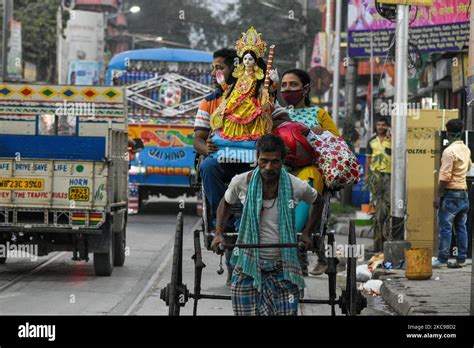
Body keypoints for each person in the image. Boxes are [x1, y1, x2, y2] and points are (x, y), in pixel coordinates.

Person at [193, 48, 285, 285]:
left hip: (254, 162)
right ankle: (219, 220)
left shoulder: (261, 96)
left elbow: (284, 119)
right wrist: (207, 149)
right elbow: (198, 138)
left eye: (219, 67)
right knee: (209, 166)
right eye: (213, 68)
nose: (215, 73)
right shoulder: (211, 101)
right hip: (222, 159)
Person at [211, 134, 321, 315]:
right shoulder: (241, 181)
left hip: (283, 266)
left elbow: (319, 201)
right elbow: (226, 203)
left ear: (283, 160)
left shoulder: (295, 185)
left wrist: (307, 232)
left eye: (275, 162)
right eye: (264, 161)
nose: (269, 167)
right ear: (256, 158)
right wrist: (218, 233)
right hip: (248, 264)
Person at [279, 68, 340, 276]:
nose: (287, 89)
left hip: (309, 169)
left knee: (309, 179)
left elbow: (337, 143)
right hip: (279, 167)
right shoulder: (276, 112)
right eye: (284, 85)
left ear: (305, 89)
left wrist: (321, 134)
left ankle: (296, 237)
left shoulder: (319, 114)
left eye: (293, 85)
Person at [432, 119, 472, 268]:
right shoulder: (466, 149)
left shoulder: (449, 151)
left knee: (446, 228)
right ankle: (461, 258)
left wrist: (437, 196)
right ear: (461, 132)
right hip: (464, 193)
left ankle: (442, 259)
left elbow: (445, 177)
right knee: (461, 227)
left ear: (448, 133)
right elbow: (468, 167)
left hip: (450, 194)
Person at [365, 116, 391, 252]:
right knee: (376, 208)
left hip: (389, 176)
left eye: (383, 125)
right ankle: (377, 243)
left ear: (387, 126)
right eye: (378, 124)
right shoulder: (371, 141)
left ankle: (387, 239)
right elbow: (368, 160)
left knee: (388, 207)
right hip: (376, 177)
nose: (380, 127)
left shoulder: (391, 140)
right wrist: (367, 175)